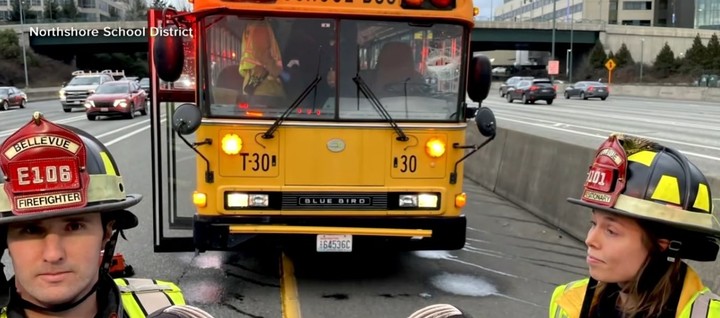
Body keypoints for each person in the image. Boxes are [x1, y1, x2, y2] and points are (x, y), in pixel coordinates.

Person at [0, 112, 213, 317]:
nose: (54, 254)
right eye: (30, 229)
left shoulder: (164, 307)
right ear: (4, 240)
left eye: (74, 227)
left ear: (107, 231)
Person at [549, 133, 720, 317]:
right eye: (593, 223)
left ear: (665, 244)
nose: (590, 240)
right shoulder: (568, 301)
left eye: (611, 231)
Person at [238, 21, 286, 103]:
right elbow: (261, 54)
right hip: (266, 89)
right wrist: (276, 70)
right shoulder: (260, 26)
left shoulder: (251, 26)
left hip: (255, 86)